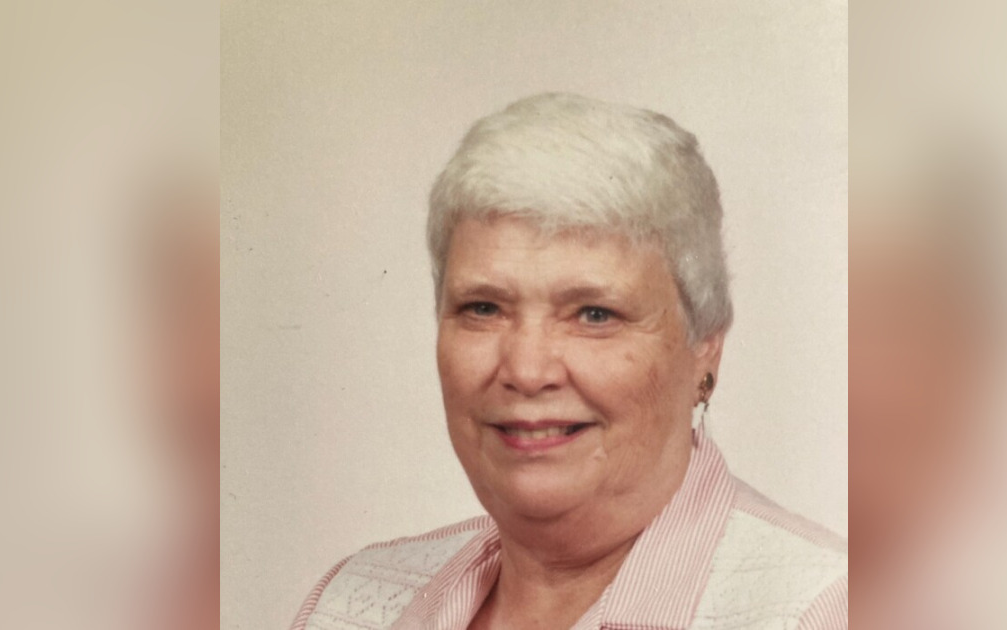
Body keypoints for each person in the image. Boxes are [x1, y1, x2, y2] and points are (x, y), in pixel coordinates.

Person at [291, 93, 847, 630]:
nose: (527, 370)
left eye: (594, 314)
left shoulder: (821, 613)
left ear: (705, 347)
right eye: (484, 308)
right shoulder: (352, 606)